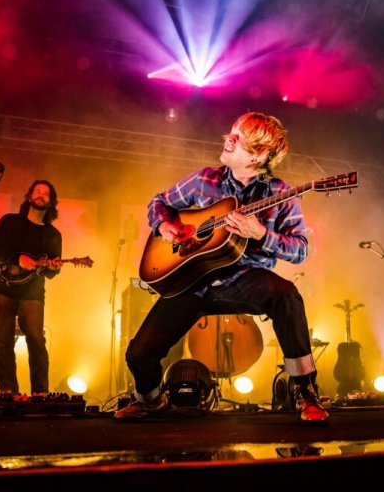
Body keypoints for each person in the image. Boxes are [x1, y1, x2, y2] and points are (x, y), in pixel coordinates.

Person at [116, 112, 328, 423]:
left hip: (243, 279)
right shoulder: (205, 180)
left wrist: (261, 235)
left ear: (258, 155)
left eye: (237, 138)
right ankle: (150, 400)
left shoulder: (282, 194)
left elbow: (300, 250)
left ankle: (305, 389)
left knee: (286, 294)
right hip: (190, 283)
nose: (227, 139)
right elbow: (159, 202)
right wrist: (163, 226)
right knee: (137, 355)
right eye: (230, 133)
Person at [0, 179, 63, 395]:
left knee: (36, 339)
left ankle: (40, 393)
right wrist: (16, 259)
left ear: (51, 202)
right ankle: (9, 393)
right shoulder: (9, 222)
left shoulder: (53, 235)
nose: (41, 195)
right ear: (29, 196)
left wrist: (54, 268)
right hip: (2, 286)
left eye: (46, 193)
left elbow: (50, 273)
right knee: (3, 340)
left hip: (33, 291)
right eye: (37, 191)